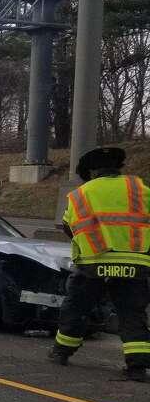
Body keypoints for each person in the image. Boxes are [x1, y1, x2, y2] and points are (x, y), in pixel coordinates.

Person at [47, 147, 150, 382]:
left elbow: (68, 227)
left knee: (76, 308)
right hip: (134, 263)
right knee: (132, 314)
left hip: (93, 263)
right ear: (118, 167)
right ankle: (137, 367)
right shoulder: (138, 188)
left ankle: (61, 352)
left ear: (92, 171)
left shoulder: (80, 194)